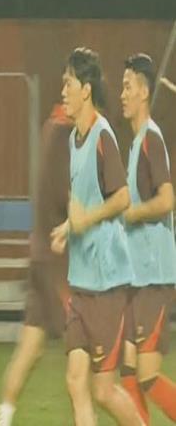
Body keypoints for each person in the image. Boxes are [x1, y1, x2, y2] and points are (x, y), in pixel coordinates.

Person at [51, 47, 144, 426]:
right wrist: (68, 228)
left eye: (68, 83)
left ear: (85, 89)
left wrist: (85, 220)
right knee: (76, 381)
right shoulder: (74, 139)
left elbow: (121, 198)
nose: (63, 91)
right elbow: (83, 204)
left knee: (103, 390)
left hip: (107, 284)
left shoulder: (103, 135)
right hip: (82, 282)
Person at [0, 103, 72, 425]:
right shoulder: (67, 135)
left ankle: (3, 417)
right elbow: (69, 196)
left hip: (38, 253)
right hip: (58, 260)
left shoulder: (49, 128)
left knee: (29, 348)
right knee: (82, 350)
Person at [120, 53, 176, 424]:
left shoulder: (150, 141)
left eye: (128, 87)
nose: (122, 94)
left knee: (148, 376)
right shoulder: (136, 142)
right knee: (126, 373)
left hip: (154, 278)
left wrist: (131, 214)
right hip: (137, 278)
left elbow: (167, 200)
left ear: (143, 91)